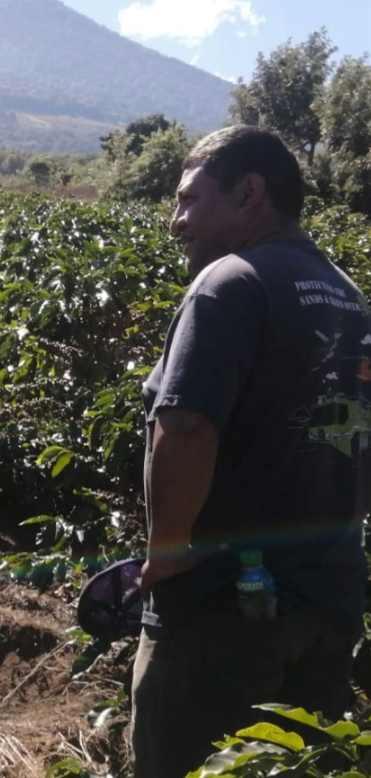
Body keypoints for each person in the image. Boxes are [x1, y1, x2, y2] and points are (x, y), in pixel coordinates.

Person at [131, 125, 371, 777]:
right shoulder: (350, 297)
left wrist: (167, 551)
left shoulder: (230, 283)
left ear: (249, 193)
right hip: (328, 604)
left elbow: (184, 428)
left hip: (224, 609)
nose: (177, 222)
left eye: (189, 200)